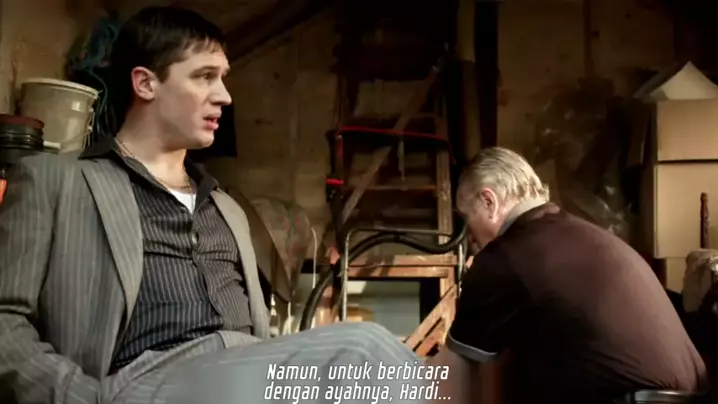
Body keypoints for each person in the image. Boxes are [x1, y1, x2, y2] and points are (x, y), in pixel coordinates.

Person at [0, 7, 421, 404]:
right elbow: (5, 318)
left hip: (244, 369)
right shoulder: (55, 181)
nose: (224, 96)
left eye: (223, 78)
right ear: (145, 83)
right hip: (142, 381)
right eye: (204, 76)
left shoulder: (226, 208)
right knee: (363, 351)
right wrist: (80, 397)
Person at [429, 147, 707, 404]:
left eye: (467, 219)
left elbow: (451, 383)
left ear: (489, 201)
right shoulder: (584, 236)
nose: (470, 237)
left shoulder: (506, 257)